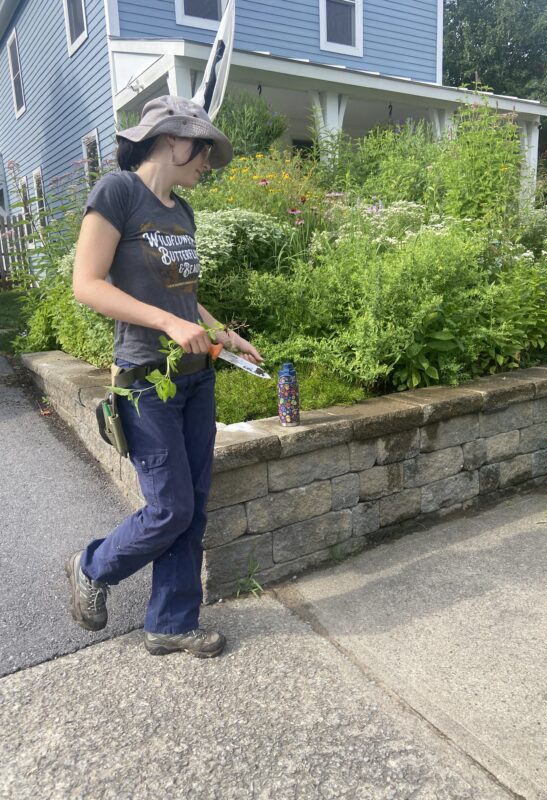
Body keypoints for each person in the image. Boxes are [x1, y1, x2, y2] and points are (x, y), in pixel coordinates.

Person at [66, 95, 263, 659]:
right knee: (169, 507)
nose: (207, 160)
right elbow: (88, 284)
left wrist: (221, 332)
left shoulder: (182, 211)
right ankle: (91, 566)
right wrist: (167, 327)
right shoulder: (118, 192)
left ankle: (172, 623)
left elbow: (184, 298)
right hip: (147, 380)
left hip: (197, 377)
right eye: (203, 149)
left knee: (193, 505)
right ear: (172, 140)